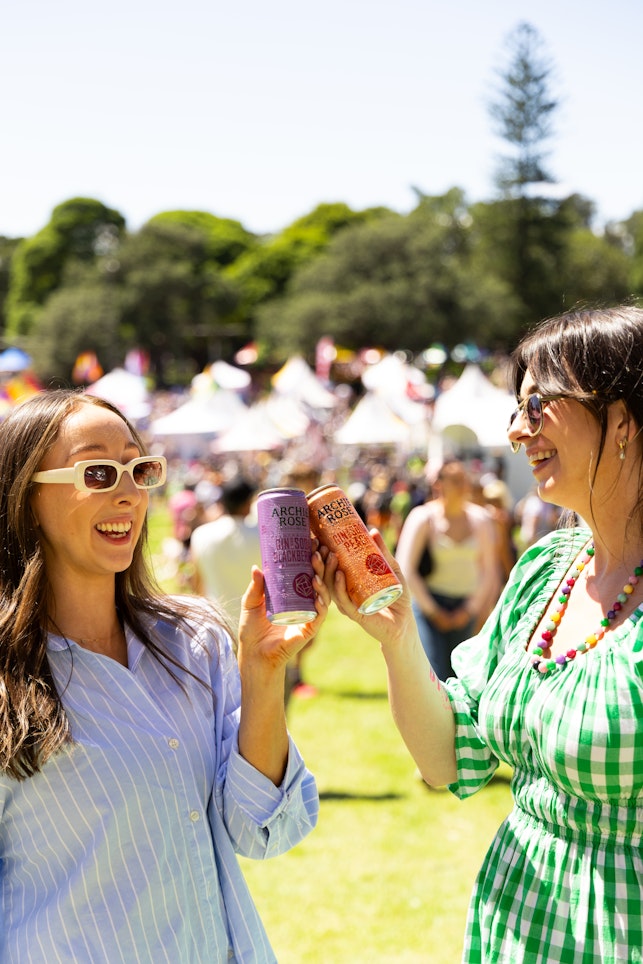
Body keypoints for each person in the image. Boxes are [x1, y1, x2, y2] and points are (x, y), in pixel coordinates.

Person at [324, 305, 643, 962]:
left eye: (537, 406)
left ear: (624, 419)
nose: (515, 432)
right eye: (514, 410)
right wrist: (396, 639)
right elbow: (446, 759)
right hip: (517, 928)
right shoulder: (545, 570)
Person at [0, 388, 329, 962]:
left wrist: (262, 672)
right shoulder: (8, 679)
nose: (129, 493)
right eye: (99, 472)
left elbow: (263, 828)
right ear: (25, 498)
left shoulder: (195, 637)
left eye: (139, 467)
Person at [395, 459, 498, 679]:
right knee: (434, 675)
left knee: (463, 676)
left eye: (465, 480)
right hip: (429, 607)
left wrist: (471, 609)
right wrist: (433, 611)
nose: (464, 486)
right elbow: (405, 567)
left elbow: (489, 569)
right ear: (438, 485)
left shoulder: (480, 519)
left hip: (466, 606)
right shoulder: (423, 517)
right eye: (456, 481)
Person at [190, 474, 261, 629]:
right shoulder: (263, 535)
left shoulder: (201, 534)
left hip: (218, 626)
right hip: (257, 627)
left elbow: (197, 584)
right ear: (248, 503)